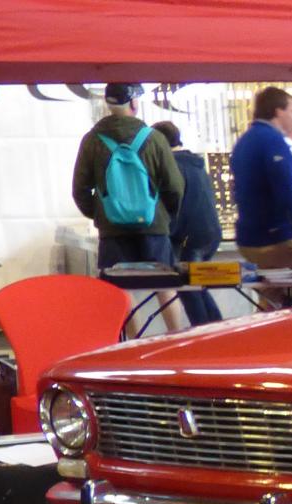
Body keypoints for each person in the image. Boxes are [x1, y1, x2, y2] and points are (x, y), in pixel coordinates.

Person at [71, 83, 186, 334]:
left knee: (120, 289)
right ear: (134, 103)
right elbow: (175, 186)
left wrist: (102, 214)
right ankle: (176, 338)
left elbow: (80, 190)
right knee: (165, 285)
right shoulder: (154, 138)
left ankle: (136, 343)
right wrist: (164, 215)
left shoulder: (91, 141)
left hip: (113, 230)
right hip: (153, 226)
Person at [230, 86, 292, 303]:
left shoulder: (243, 142)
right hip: (277, 238)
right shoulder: (273, 141)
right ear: (279, 111)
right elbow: (288, 190)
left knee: (271, 298)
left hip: (248, 240)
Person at [151, 121, 223, 326]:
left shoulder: (172, 167)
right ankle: (215, 329)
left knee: (188, 288)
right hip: (210, 234)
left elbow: (176, 207)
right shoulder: (196, 164)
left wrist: (168, 231)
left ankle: (206, 334)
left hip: (189, 238)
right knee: (196, 284)